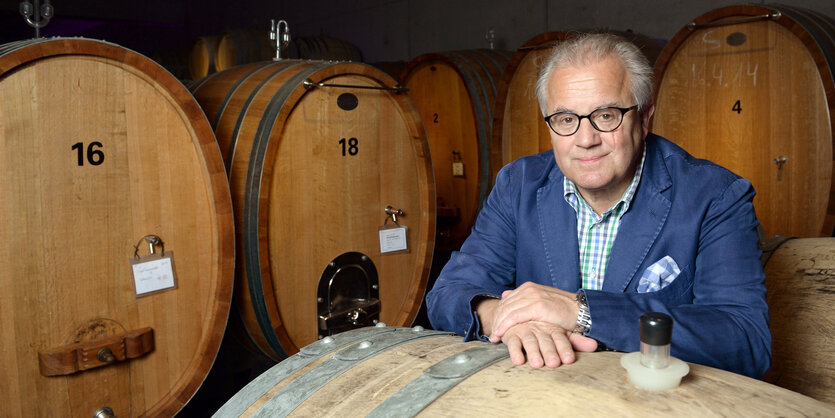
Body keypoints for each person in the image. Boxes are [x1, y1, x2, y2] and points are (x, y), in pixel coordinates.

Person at [425, 32, 771, 378]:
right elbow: (448, 293)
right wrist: (504, 316)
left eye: (606, 116)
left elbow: (744, 339)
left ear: (645, 117)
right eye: (565, 119)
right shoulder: (519, 184)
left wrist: (581, 312)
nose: (585, 139)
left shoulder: (716, 195)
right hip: (545, 396)